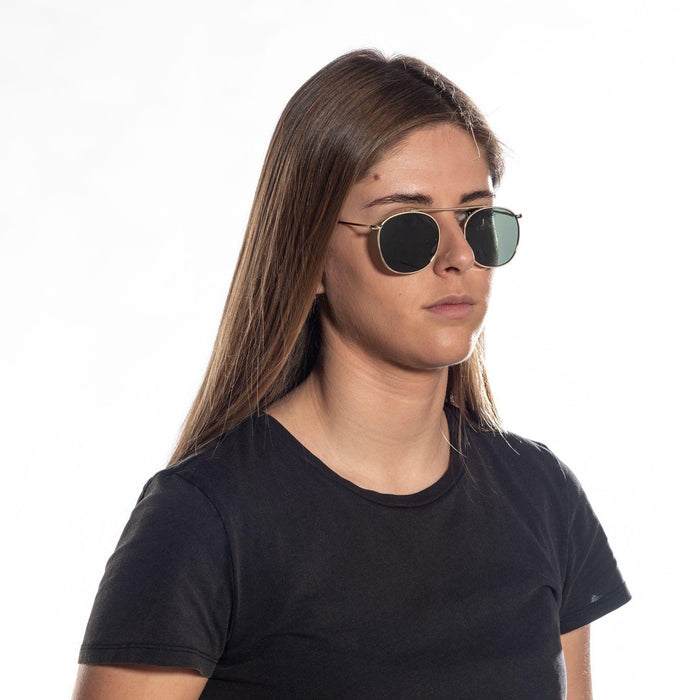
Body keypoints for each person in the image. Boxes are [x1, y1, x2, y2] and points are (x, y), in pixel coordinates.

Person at [72, 49, 631, 699]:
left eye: (479, 222)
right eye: (408, 230)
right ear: (309, 257)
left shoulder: (542, 496)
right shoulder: (204, 519)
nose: (458, 257)